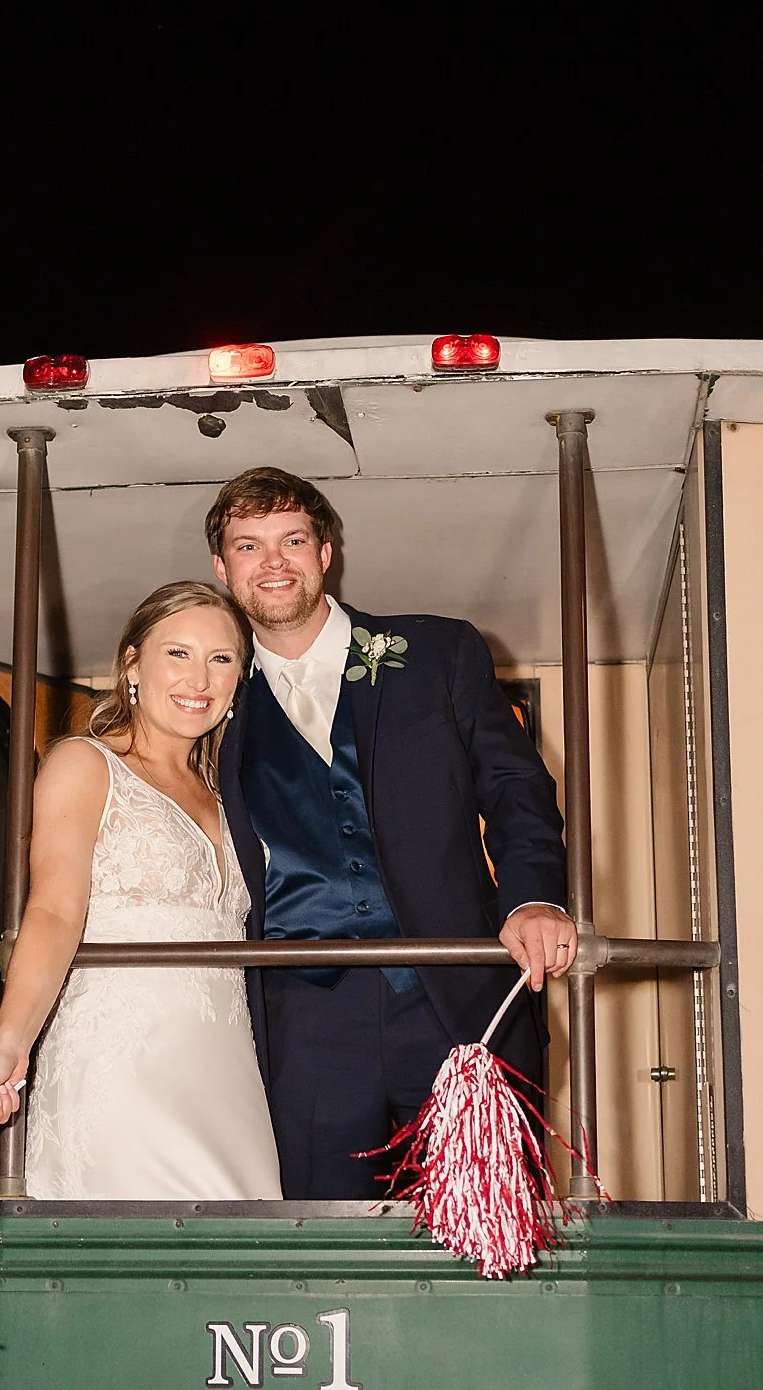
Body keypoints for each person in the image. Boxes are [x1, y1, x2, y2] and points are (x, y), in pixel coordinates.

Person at [210, 466, 578, 1200]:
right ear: (222, 569)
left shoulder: (437, 653)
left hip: (452, 991)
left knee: (483, 1223)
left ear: (325, 553)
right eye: (249, 547)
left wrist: (532, 899)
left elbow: (516, 789)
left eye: (292, 540)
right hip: (300, 1021)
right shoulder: (210, 692)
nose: (273, 561)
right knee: (319, 1244)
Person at [0, 580, 281, 1201]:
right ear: (132, 664)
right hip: (123, 1068)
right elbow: (52, 912)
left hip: (227, 1071)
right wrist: (9, 1045)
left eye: (221, 660)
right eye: (177, 654)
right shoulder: (85, 764)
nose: (200, 679)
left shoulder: (228, 794)